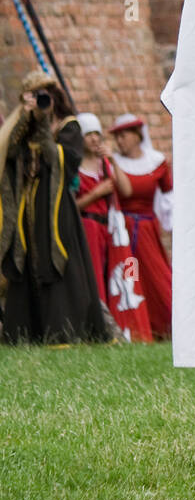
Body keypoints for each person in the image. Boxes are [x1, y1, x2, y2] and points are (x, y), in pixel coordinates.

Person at [0, 71, 111, 344]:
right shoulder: (25, 127)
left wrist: (43, 126)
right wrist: (26, 118)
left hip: (57, 209)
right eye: (34, 95)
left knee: (56, 261)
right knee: (26, 259)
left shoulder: (69, 126)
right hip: (28, 206)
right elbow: (10, 155)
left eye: (43, 94)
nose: (40, 100)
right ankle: (28, 331)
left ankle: (64, 329)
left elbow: (62, 160)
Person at [109, 115, 173, 340]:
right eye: (116, 136)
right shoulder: (113, 163)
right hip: (122, 231)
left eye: (123, 135)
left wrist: (171, 225)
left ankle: (166, 325)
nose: (120, 141)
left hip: (146, 230)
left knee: (156, 276)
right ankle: (137, 327)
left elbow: (168, 196)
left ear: (137, 135)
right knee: (130, 273)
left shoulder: (156, 163)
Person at [75, 113, 132, 304]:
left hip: (109, 227)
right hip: (88, 226)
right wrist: (95, 194)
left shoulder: (105, 164)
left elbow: (127, 190)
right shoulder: (75, 168)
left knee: (113, 272)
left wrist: (113, 161)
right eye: (88, 134)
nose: (94, 138)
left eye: (96, 134)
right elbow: (70, 207)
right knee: (94, 274)